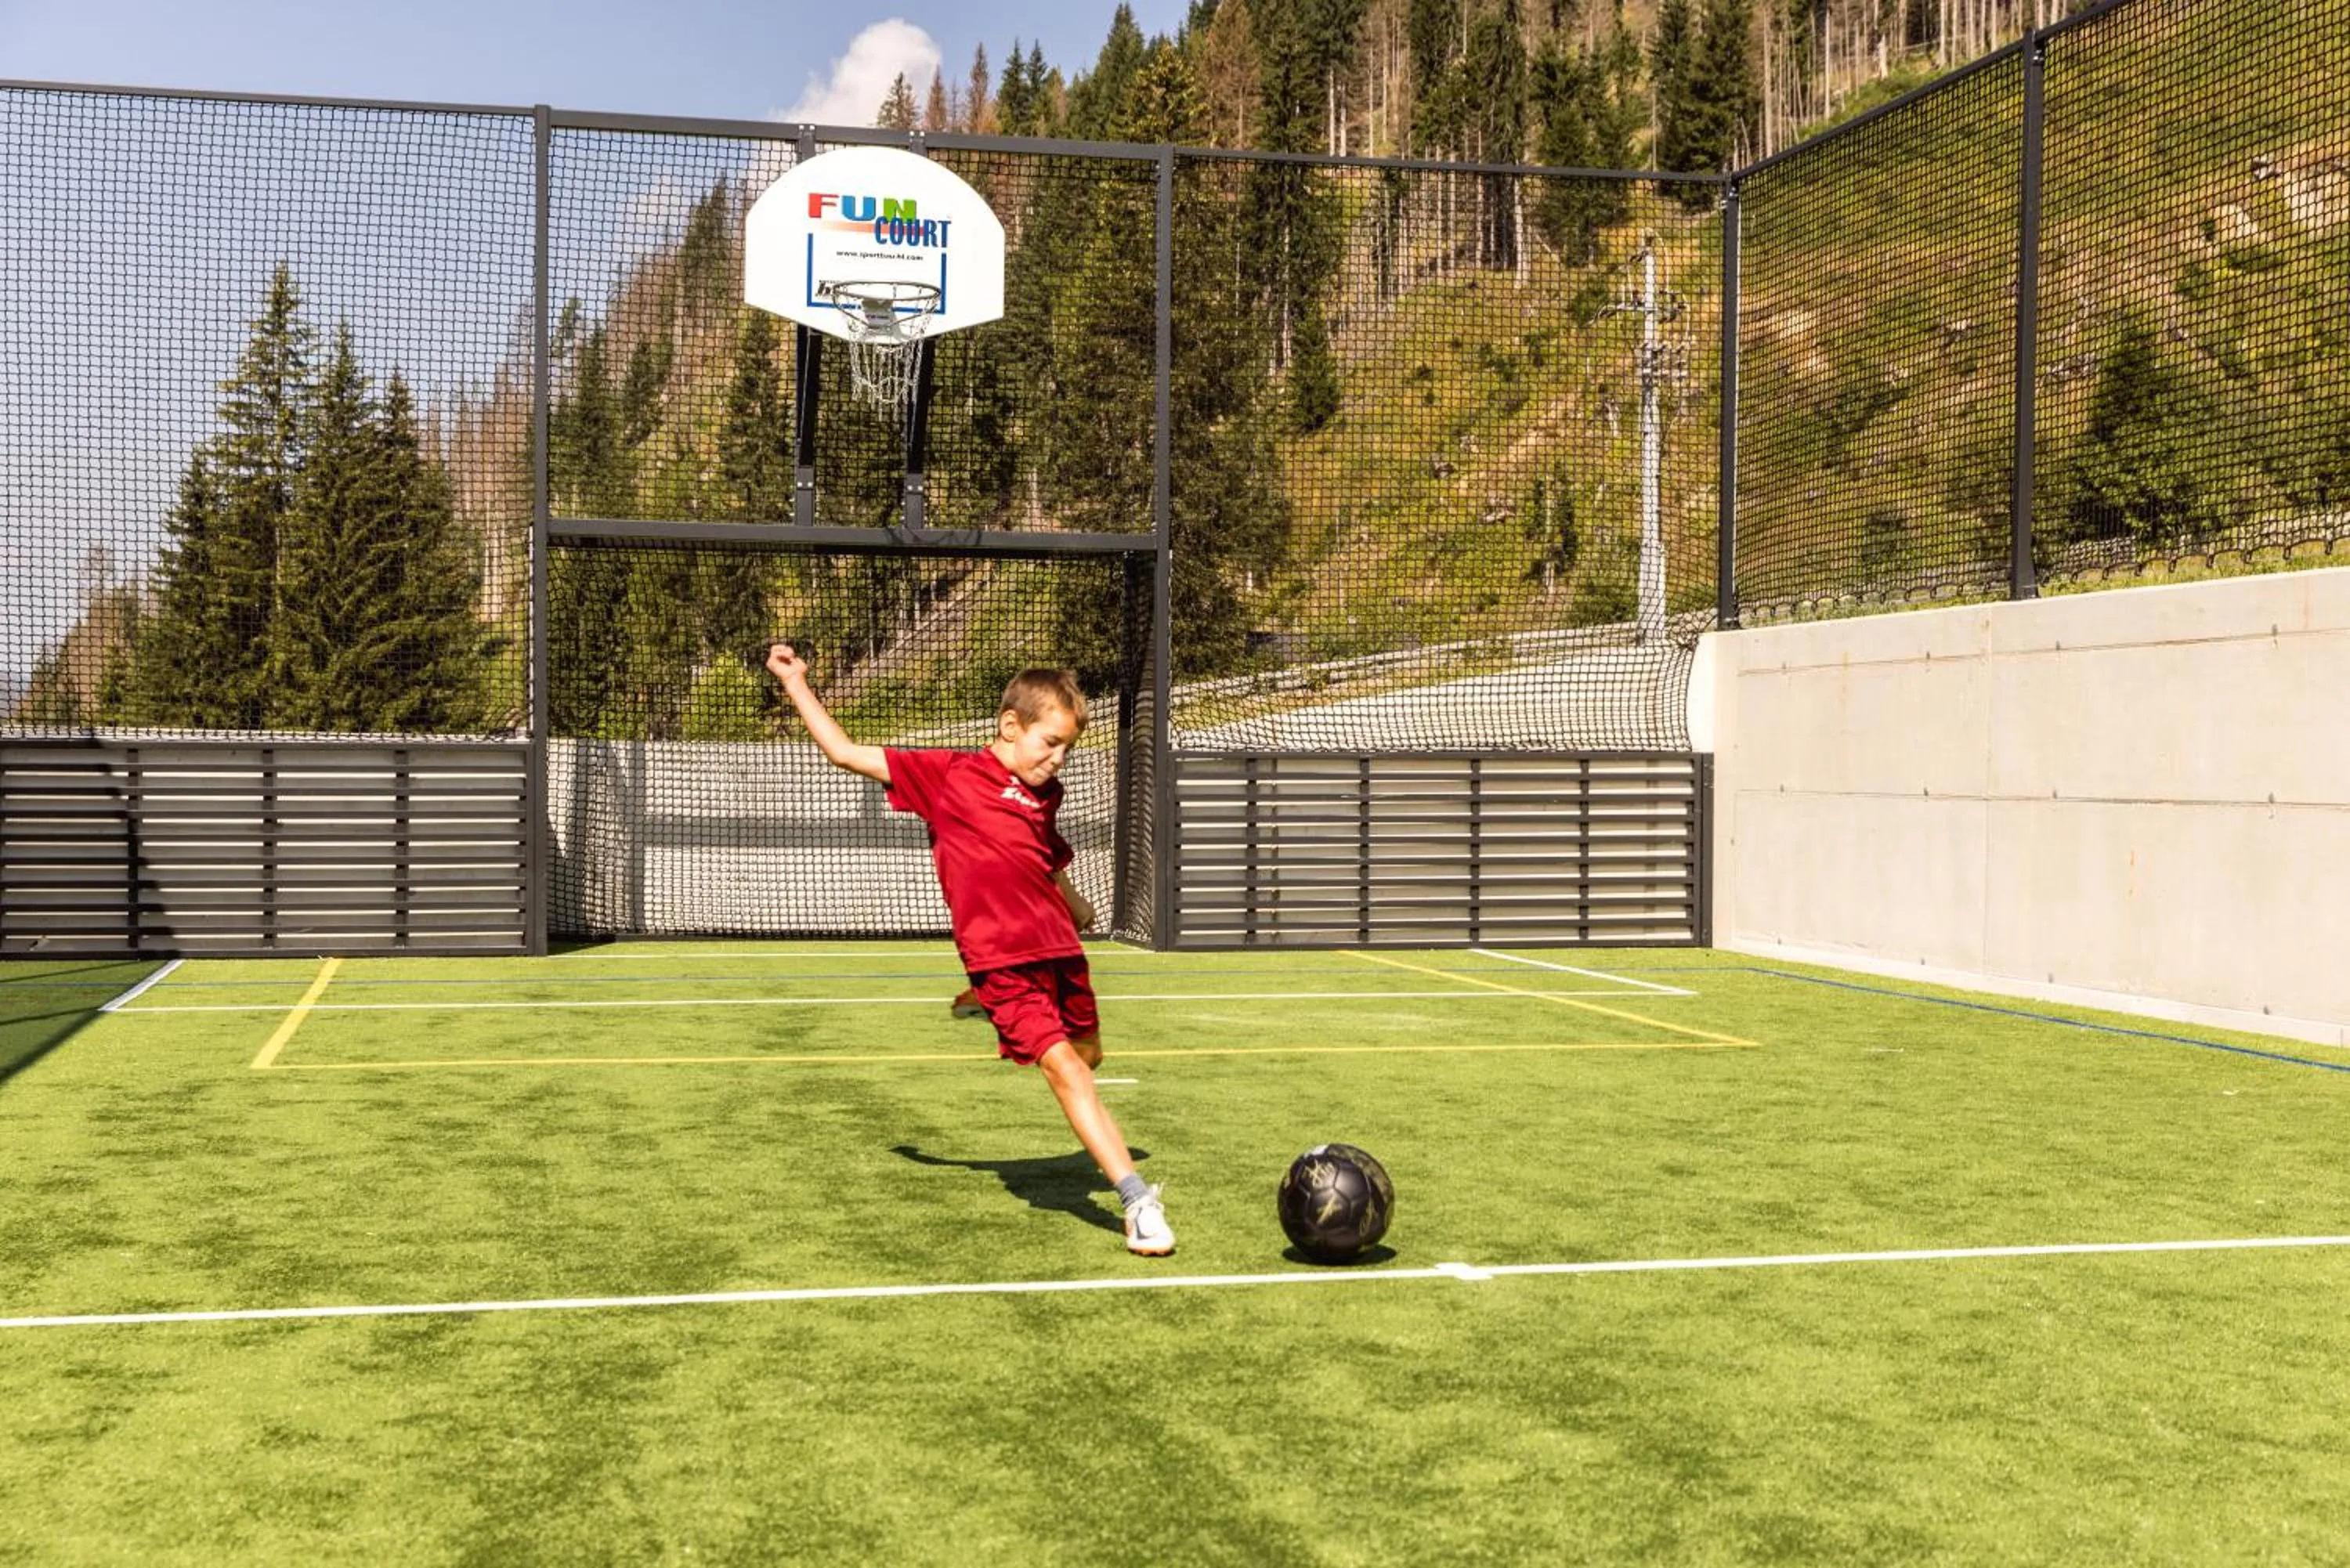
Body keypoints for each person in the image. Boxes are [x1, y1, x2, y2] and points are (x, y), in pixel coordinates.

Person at [765, 642, 1174, 1257]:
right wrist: (797, 683)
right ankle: (1138, 1202)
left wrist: (1078, 904)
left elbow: (1044, 857)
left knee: (1088, 1055)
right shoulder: (949, 775)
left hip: (1061, 950)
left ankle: (986, 1007)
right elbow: (844, 752)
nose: (1058, 760)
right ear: (1011, 726)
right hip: (1000, 960)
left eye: (1067, 748)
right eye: (1050, 743)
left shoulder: (1044, 795)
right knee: (1064, 1068)